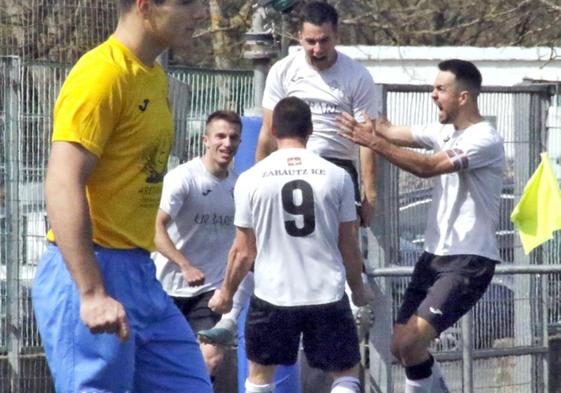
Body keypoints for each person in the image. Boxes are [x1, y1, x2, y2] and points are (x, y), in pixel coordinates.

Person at [31, 1, 213, 392]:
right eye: (188, 3)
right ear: (145, 6)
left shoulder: (155, 77)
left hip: (139, 273)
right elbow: (62, 181)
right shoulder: (101, 75)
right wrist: (92, 292)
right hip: (90, 269)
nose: (202, 13)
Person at [199, 0, 378, 348]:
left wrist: (369, 193)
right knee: (257, 246)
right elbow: (267, 132)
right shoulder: (283, 71)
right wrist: (253, 179)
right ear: (298, 36)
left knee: (339, 244)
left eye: (324, 41)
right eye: (310, 41)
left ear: (336, 35)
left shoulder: (357, 76)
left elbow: (367, 139)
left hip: (334, 170)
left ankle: (351, 297)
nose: (317, 48)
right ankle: (230, 315)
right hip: (283, 168)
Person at [338, 59, 505, 393]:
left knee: (412, 343)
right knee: (400, 347)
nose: (433, 95)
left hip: (468, 260)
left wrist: (373, 143)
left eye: (440, 89)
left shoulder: (484, 139)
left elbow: (429, 167)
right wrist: (353, 101)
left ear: (464, 97)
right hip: (433, 257)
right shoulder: (443, 131)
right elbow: (384, 129)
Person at [208, 96, 369, 393]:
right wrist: (358, 292)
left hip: (273, 295)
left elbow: (243, 251)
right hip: (326, 293)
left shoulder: (251, 179)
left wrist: (227, 294)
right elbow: (348, 244)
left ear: (272, 130)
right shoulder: (338, 176)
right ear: (310, 129)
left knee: (259, 378)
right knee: (345, 373)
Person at [153, 110, 241, 380]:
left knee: (210, 357)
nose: (226, 143)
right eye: (220, 136)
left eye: (234, 137)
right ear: (206, 139)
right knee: (163, 366)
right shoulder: (183, 178)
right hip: (168, 286)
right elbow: (153, 228)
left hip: (210, 290)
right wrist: (184, 265)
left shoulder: (240, 186)